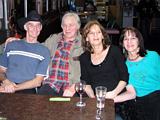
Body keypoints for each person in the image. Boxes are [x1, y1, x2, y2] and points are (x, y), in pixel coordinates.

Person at [79, 20, 129, 119]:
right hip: (96, 102)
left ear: (102, 36)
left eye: (98, 32)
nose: (95, 35)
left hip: (116, 101)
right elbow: (86, 81)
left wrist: (113, 94)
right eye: (91, 33)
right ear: (87, 38)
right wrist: (93, 98)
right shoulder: (84, 57)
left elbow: (124, 77)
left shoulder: (114, 51)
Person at [114, 27, 160, 120]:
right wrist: (107, 99)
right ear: (122, 44)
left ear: (139, 40)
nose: (129, 42)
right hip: (141, 103)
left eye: (133, 38)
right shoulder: (124, 65)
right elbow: (131, 92)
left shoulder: (153, 56)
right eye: (126, 39)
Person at [0, 10, 50, 94]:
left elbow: (37, 81)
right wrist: (6, 82)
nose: (35, 29)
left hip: (28, 89)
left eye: (38, 26)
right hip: (7, 85)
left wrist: (13, 88)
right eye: (31, 25)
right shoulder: (12, 45)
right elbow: (1, 71)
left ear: (41, 28)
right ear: (26, 27)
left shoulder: (44, 51)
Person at [37, 12, 83, 97]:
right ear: (61, 26)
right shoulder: (53, 40)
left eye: (71, 25)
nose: (67, 28)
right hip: (51, 85)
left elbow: (90, 71)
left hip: (71, 86)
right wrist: (18, 41)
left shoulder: (84, 44)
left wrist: (74, 87)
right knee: (39, 105)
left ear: (78, 26)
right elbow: (36, 47)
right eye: (64, 25)